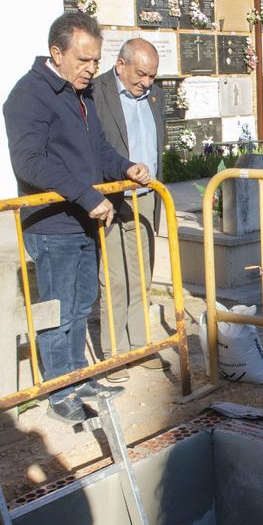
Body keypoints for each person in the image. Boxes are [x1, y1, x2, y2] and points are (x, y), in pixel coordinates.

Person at [3, 12, 150, 423]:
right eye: (84, 60)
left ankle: (78, 377)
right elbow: (30, 161)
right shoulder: (30, 95)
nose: (91, 69)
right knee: (59, 309)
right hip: (53, 224)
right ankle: (58, 391)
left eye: (96, 61)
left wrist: (125, 167)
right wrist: (86, 195)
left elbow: (97, 150)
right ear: (57, 52)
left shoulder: (79, 93)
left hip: (83, 218)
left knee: (82, 303)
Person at [90, 39, 167, 374]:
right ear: (120, 66)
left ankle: (140, 344)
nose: (146, 82)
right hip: (111, 196)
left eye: (151, 76)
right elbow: (95, 146)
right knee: (114, 277)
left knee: (141, 276)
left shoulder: (155, 94)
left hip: (146, 198)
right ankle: (115, 351)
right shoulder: (96, 92)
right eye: (140, 74)